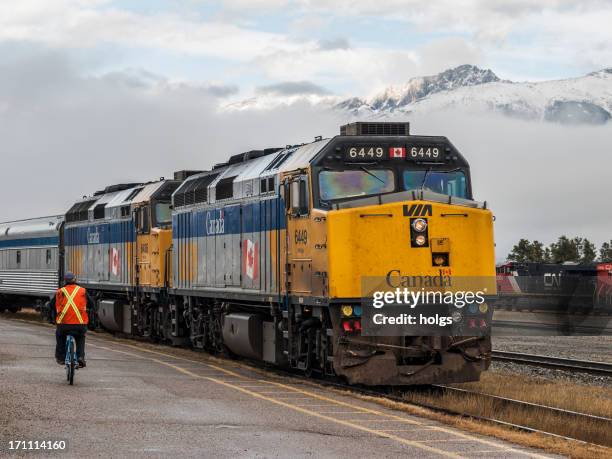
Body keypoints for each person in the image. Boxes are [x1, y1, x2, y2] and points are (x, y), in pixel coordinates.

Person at [49, 272, 94, 368]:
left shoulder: (60, 291)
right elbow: (92, 304)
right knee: (81, 337)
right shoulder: (82, 291)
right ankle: (80, 357)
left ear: (65, 281)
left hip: (63, 325)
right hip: (80, 325)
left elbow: (51, 306)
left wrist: (52, 317)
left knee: (60, 335)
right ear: (75, 280)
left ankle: (61, 358)